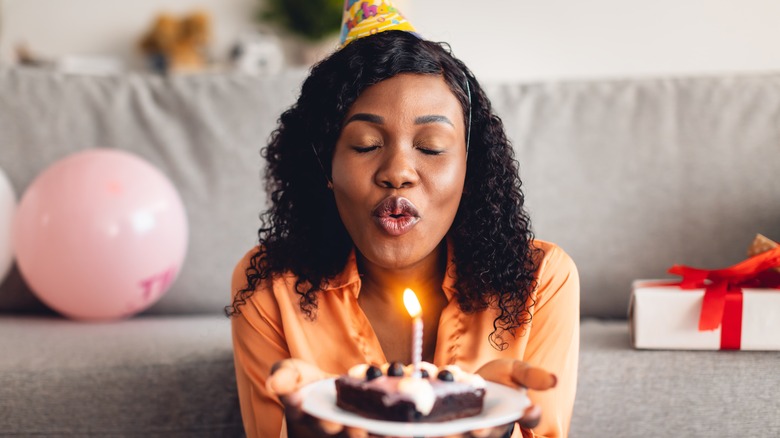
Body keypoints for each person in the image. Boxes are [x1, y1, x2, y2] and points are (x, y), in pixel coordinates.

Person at [227, 2, 579, 437]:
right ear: (325, 167)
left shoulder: (539, 279)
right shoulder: (269, 286)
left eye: (431, 147)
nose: (398, 172)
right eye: (365, 144)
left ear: (471, 167)